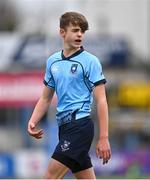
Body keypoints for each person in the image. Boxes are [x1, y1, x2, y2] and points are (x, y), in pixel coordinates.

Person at [28, 11, 111, 179]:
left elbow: (101, 100)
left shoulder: (90, 61)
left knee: (50, 176)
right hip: (64, 128)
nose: (79, 34)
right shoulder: (53, 61)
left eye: (82, 31)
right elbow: (46, 98)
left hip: (80, 127)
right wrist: (33, 120)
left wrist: (104, 137)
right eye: (75, 30)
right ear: (62, 32)